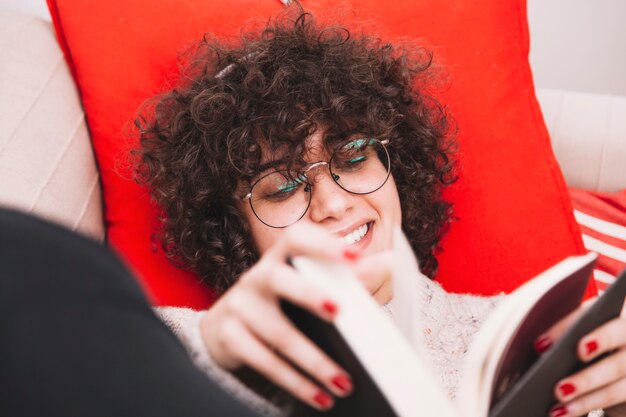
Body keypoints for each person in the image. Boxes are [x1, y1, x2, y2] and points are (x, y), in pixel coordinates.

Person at [132, 8, 626, 417]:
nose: (332, 204)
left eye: (352, 158)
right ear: (235, 231)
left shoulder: (519, 333)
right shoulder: (186, 343)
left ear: (397, 171)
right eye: (282, 187)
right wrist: (205, 354)